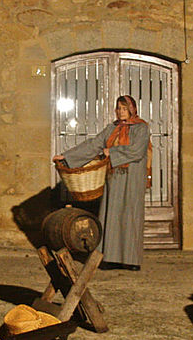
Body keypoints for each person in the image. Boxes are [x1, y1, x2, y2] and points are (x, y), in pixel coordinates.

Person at [53, 95, 150, 271]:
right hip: (115, 176)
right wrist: (67, 157)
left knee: (130, 216)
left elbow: (137, 151)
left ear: (132, 109)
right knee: (111, 215)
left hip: (132, 177)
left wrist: (112, 152)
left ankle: (131, 260)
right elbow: (94, 144)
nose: (120, 112)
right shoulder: (112, 128)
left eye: (124, 108)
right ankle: (110, 258)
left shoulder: (141, 128)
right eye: (118, 108)